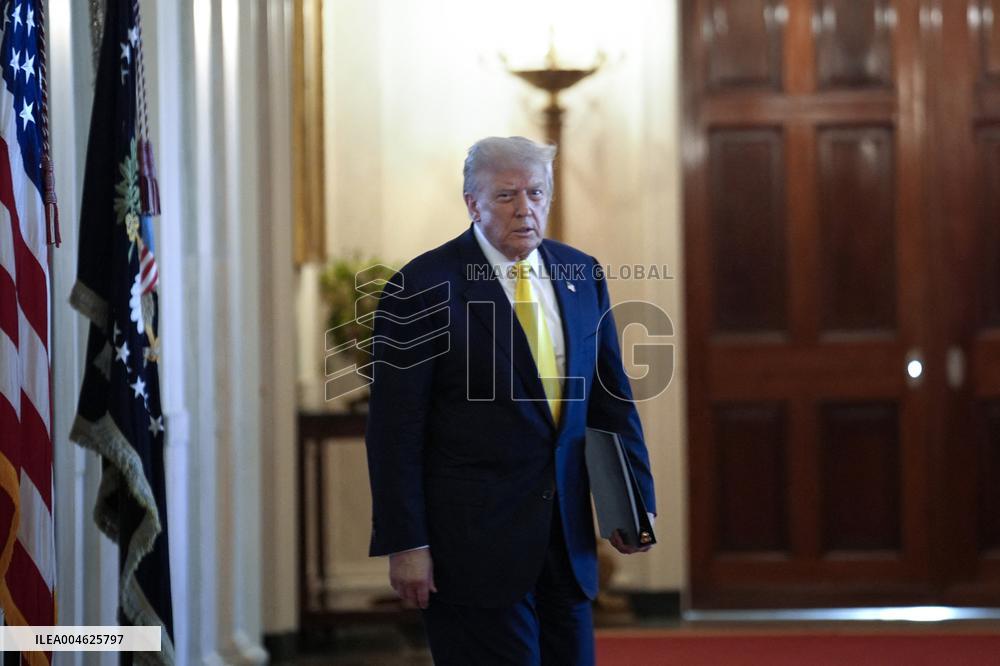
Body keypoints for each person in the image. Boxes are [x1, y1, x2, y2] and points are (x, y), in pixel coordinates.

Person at [364, 136, 656, 665]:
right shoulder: (422, 286)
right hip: (471, 550)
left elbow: (611, 400)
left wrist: (632, 503)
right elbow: (393, 432)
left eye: (536, 193)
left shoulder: (579, 273)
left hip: (566, 547)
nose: (526, 208)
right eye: (506, 196)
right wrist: (406, 543)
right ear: (472, 203)